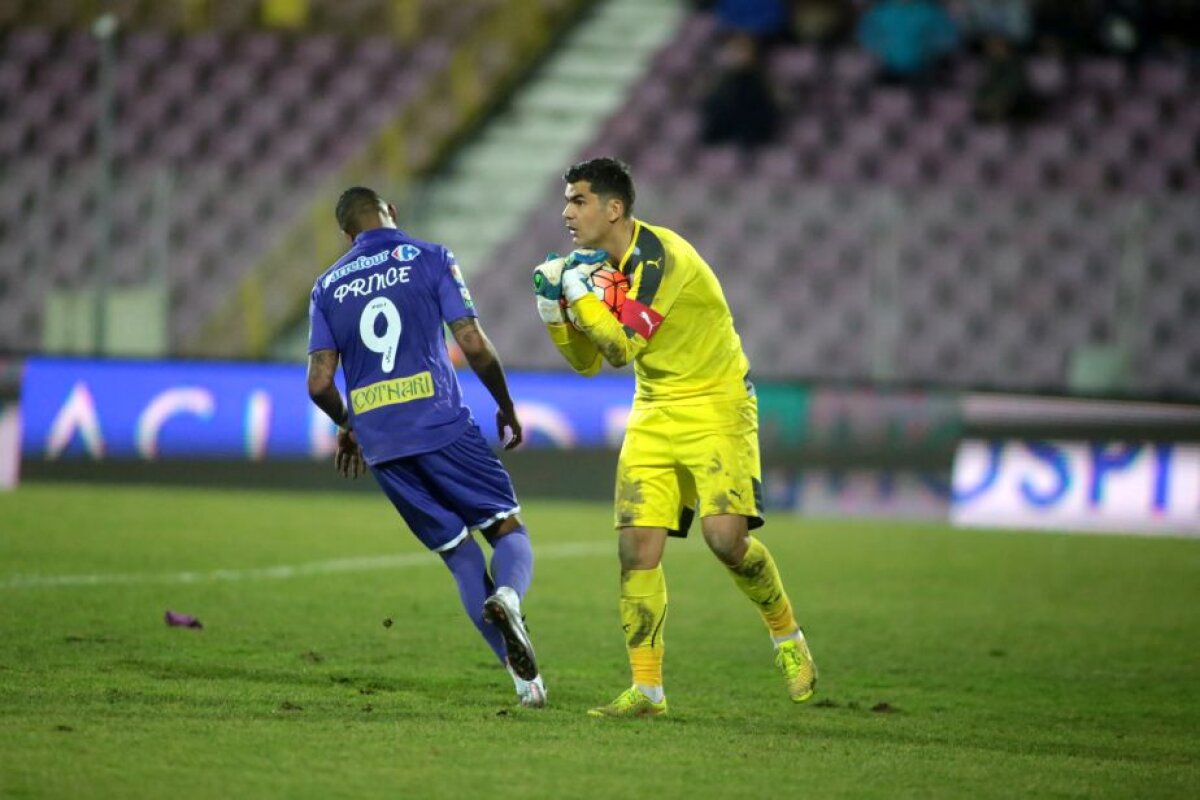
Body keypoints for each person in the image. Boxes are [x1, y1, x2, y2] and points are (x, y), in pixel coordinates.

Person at [531, 158, 817, 717]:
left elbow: (620, 348)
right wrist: (554, 312)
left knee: (725, 541)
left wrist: (578, 292)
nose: (567, 212)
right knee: (635, 550)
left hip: (717, 404)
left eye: (579, 200)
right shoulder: (599, 269)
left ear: (614, 209)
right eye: (567, 201)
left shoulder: (662, 259)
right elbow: (591, 362)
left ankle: (787, 636)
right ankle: (648, 691)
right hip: (655, 407)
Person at [307, 186, 545, 708]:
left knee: (458, 557)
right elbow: (473, 343)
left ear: (347, 233)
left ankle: (527, 685)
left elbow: (319, 383)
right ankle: (508, 596)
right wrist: (504, 403)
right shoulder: (431, 257)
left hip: (382, 446)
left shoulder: (326, 286)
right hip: (441, 426)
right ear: (389, 211)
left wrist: (350, 424)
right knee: (505, 526)